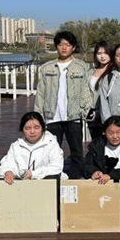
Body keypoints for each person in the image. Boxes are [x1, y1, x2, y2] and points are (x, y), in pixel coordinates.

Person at [34, 31, 93, 179]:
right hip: (52, 116)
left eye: (67, 44)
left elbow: (86, 90)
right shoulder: (46, 68)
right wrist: (38, 117)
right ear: (56, 47)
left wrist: (87, 109)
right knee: (51, 153)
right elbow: (40, 93)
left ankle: (75, 180)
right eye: (60, 44)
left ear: (73, 47)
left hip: (74, 116)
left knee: (77, 153)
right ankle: (52, 180)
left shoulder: (81, 67)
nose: (64, 47)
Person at [0, 111, 64, 184]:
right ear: (22, 129)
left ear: (42, 128)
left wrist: (33, 174)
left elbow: (56, 167)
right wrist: (8, 172)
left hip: (43, 182)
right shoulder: (16, 146)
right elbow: (7, 163)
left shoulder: (51, 143)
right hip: (22, 182)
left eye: (36, 128)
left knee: (52, 178)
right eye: (27, 128)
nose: (32, 131)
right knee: (1, 179)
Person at [81, 115, 120, 183]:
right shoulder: (96, 145)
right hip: (100, 182)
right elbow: (86, 165)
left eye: (118, 132)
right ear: (104, 132)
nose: (114, 136)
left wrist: (112, 175)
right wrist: (94, 172)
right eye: (110, 133)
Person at [88, 41, 115, 139]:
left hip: (107, 115)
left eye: (105, 53)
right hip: (92, 115)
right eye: (99, 53)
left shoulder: (114, 72)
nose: (102, 56)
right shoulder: (91, 71)